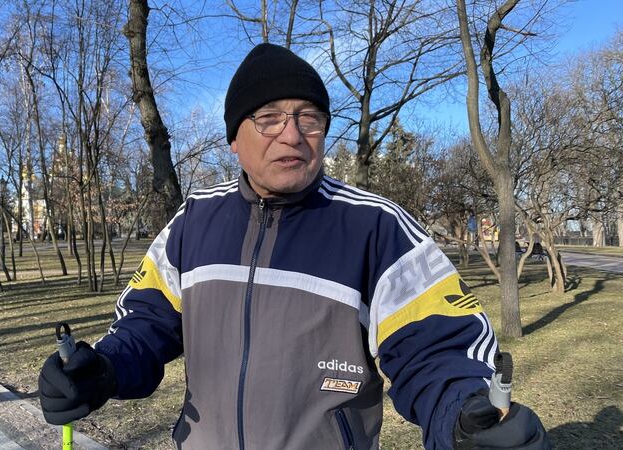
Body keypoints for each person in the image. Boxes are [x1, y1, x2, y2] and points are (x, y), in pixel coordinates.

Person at [38, 43, 551, 450]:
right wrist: (100, 370)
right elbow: (146, 325)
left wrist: (464, 414)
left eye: (309, 118)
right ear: (234, 138)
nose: (293, 135)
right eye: (269, 118)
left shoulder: (376, 229)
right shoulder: (194, 221)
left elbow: (437, 352)